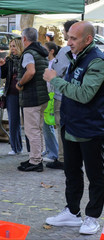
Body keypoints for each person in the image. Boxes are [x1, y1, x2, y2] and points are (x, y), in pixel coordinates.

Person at [44, 21, 104, 235]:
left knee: (96, 175)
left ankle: (93, 217)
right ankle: (72, 212)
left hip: (91, 128)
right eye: (68, 37)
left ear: (88, 39)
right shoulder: (74, 56)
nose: (68, 42)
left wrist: (56, 81)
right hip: (71, 125)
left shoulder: (97, 60)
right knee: (71, 171)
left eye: (73, 39)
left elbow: (85, 94)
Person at [45, 20, 78, 170]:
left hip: (63, 95)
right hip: (76, 95)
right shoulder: (90, 52)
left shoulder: (66, 51)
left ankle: (63, 158)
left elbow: (55, 73)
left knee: (62, 127)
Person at [16, 27, 49, 172]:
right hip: (42, 96)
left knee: (32, 130)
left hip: (32, 97)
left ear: (24, 39)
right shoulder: (41, 52)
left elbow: (31, 71)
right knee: (38, 129)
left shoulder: (29, 53)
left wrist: (20, 83)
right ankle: (36, 157)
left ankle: (35, 161)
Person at [0, 38, 24, 155]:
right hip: (11, 93)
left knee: (28, 123)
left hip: (24, 93)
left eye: (14, 46)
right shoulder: (8, 60)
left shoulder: (25, 58)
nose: (12, 48)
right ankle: (15, 147)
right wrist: (2, 67)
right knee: (13, 121)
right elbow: (3, 76)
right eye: (11, 46)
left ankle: (31, 149)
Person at [42, 42, 60, 164]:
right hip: (46, 95)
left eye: (45, 49)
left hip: (51, 96)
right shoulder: (46, 62)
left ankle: (54, 152)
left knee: (48, 124)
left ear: (52, 51)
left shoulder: (55, 63)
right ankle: (49, 149)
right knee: (46, 125)